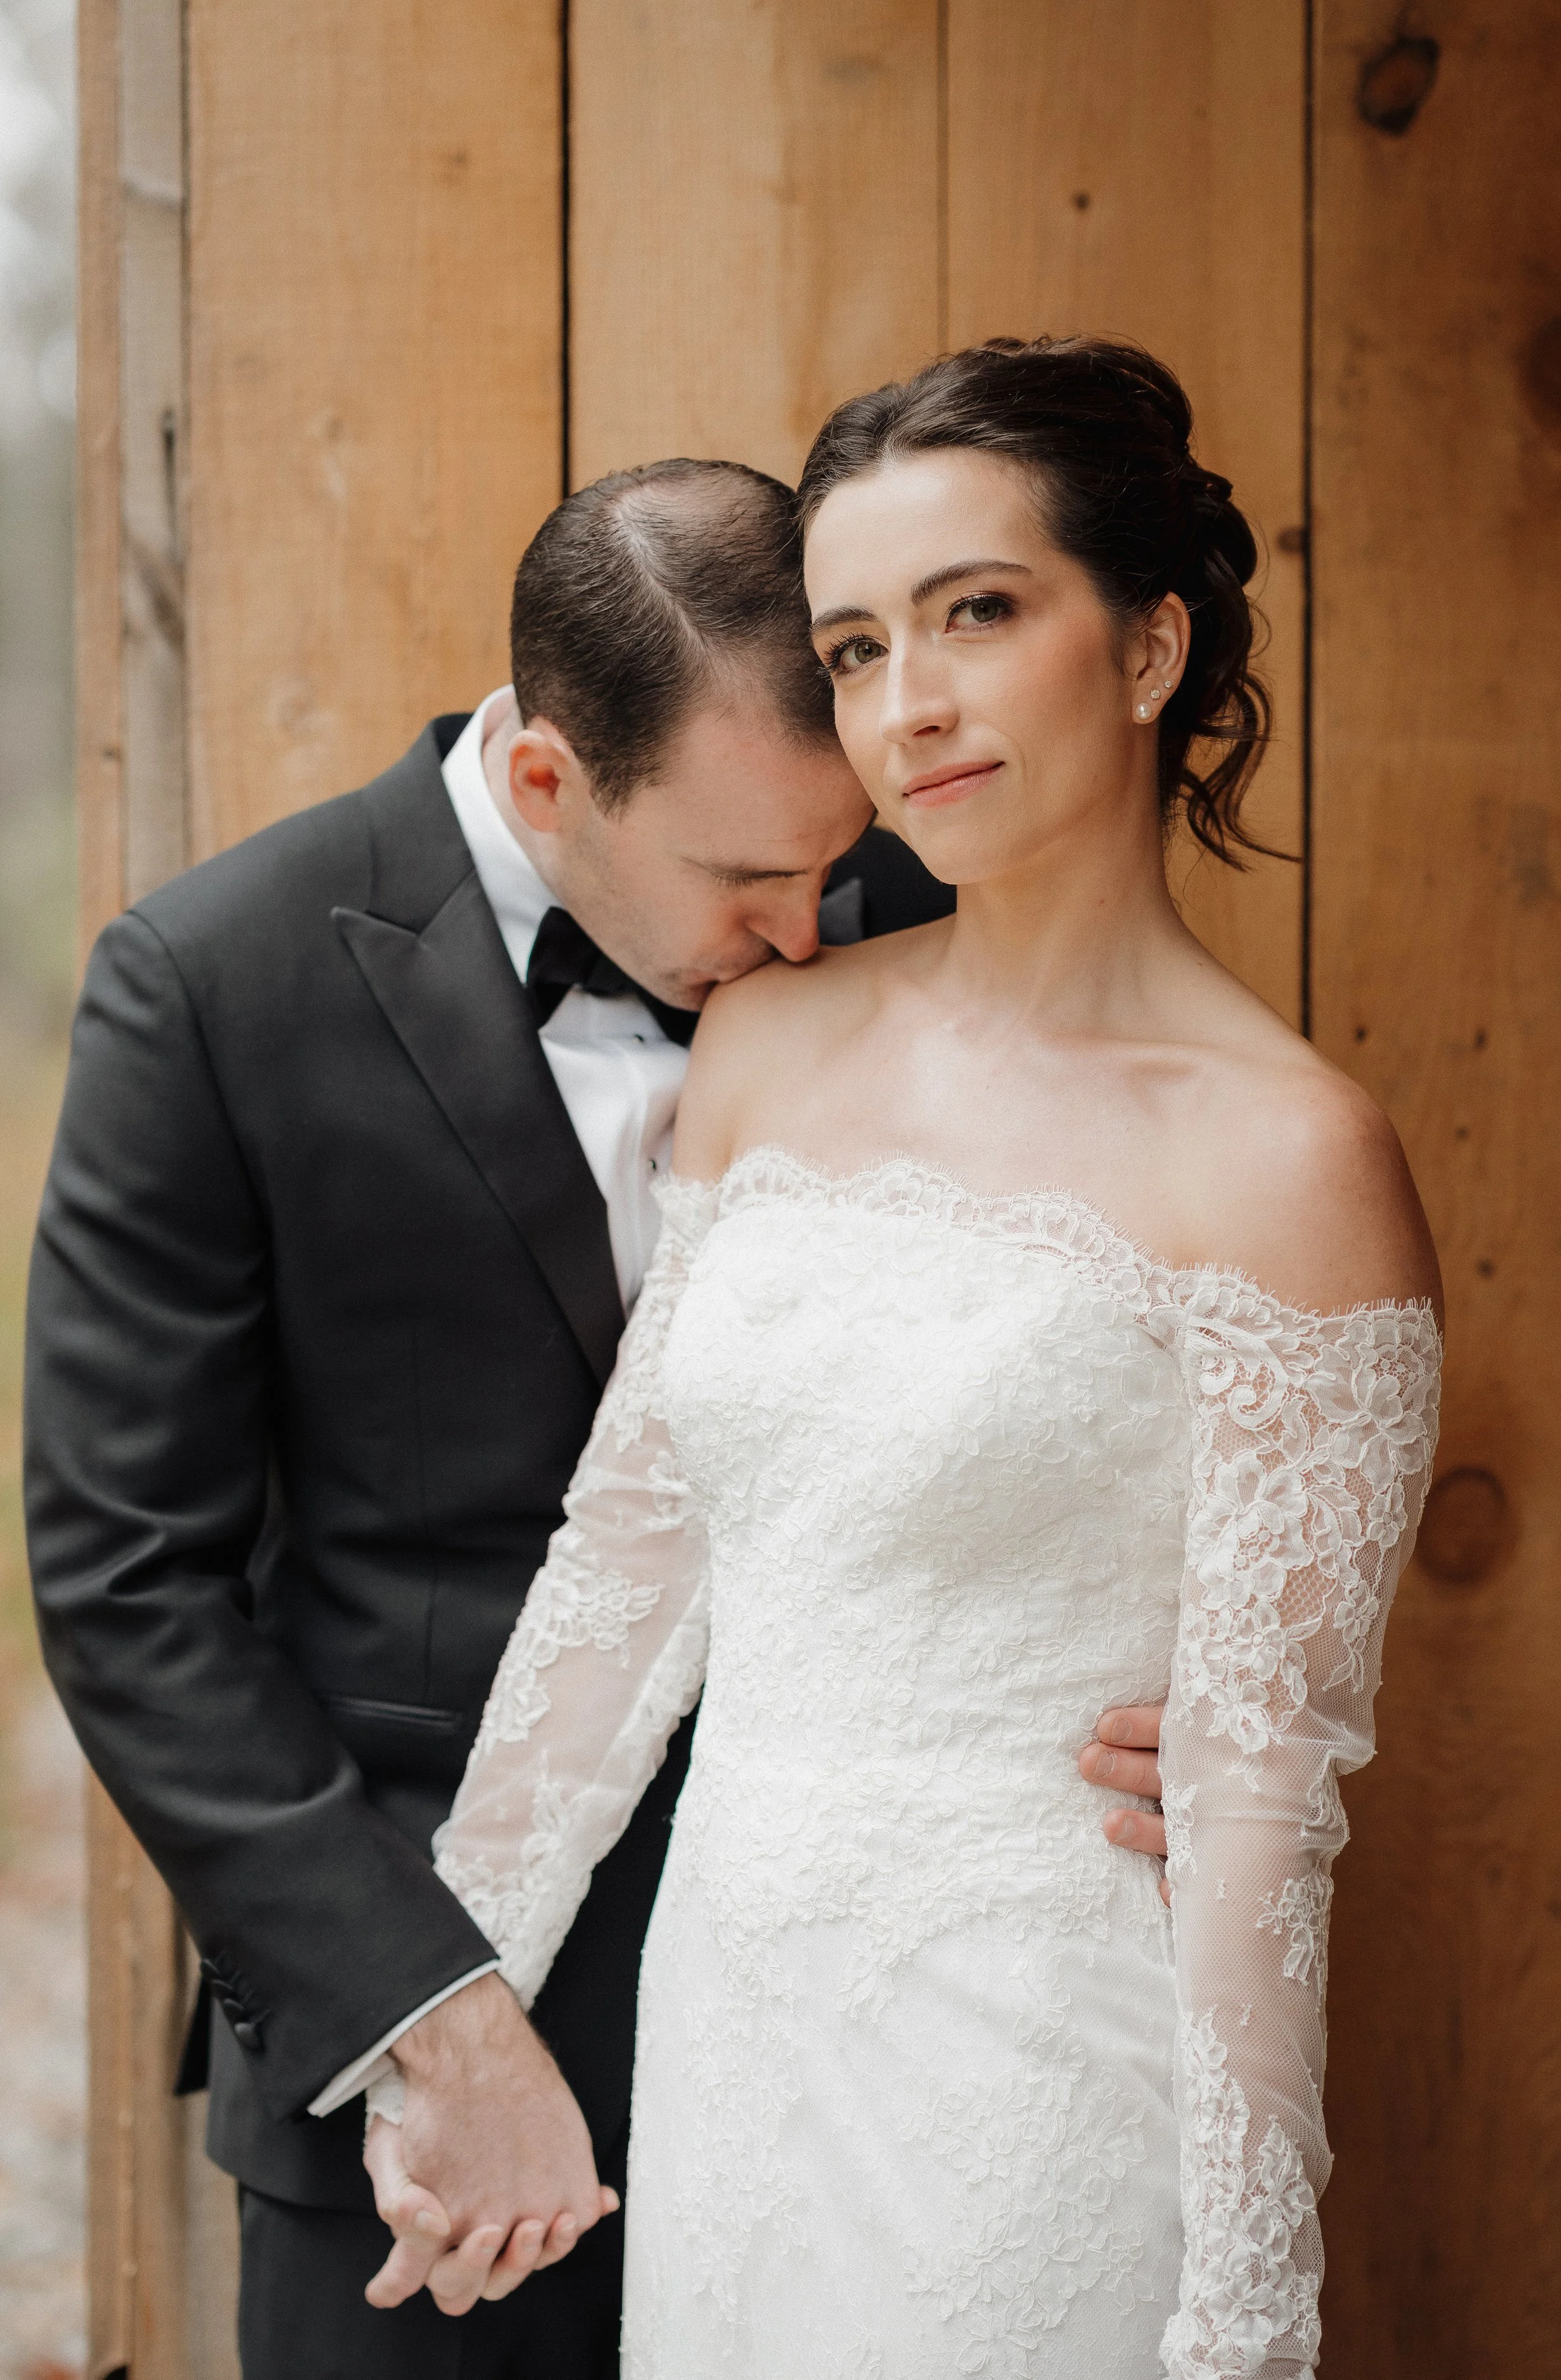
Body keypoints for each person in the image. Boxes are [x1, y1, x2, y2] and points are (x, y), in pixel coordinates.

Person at [23, 452, 1166, 2379]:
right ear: (547, 777)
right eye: (745, 878)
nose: (814, 931)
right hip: (432, 2048)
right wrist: (439, 2016)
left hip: (874, 2041)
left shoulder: (913, 912)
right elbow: (128, 1584)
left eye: (832, 859)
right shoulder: (210, 988)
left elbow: (1097, 1357)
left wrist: (1202, 1687)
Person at [400, 341, 1444, 2377]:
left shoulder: (1294, 1161)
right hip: (729, 2031)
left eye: (978, 613)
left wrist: (1244, 2308)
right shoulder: (770, 1036)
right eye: (858, 645)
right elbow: (633, 1567)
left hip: (1033, 2070)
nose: (909, 707)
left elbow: (1249, 1815)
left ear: (1146, 648)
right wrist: (459, 1998)